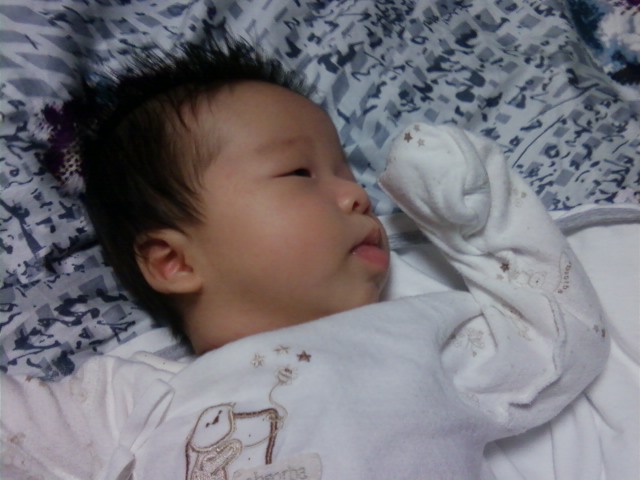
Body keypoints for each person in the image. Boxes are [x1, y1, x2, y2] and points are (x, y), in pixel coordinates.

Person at [1, 37, 608, 480]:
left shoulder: (421, 333)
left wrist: (479, 216)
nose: (357, 195)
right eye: (299, 172)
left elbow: (554, 342)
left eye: (347, 172)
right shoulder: (131, 395)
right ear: (173, 262)